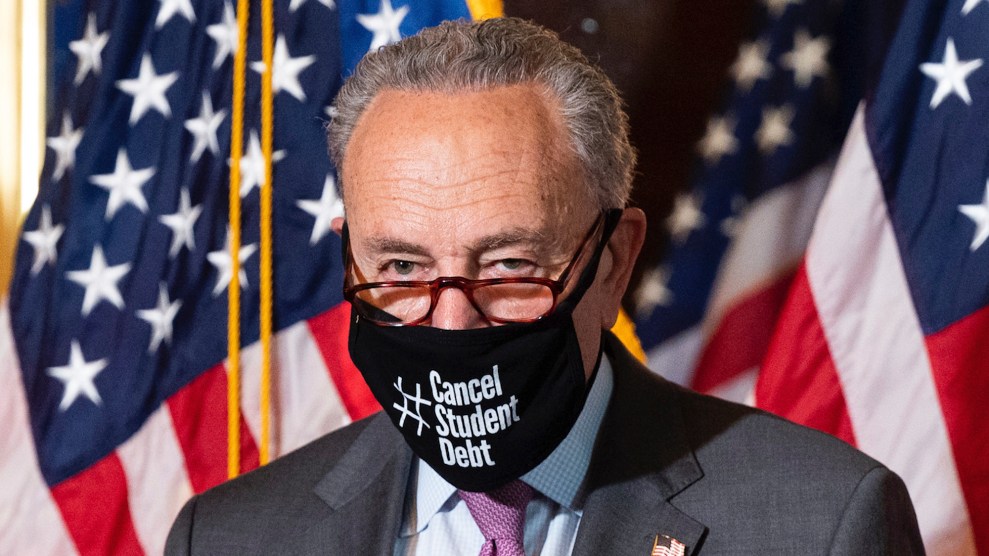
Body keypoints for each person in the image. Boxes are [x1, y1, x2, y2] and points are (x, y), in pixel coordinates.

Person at [166, 17, 923, 555]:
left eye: (508, 265)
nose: (451, 323)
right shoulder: (229, 539)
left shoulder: (821, 525)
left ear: (615, 259)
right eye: (400, 269)